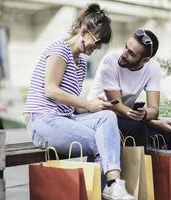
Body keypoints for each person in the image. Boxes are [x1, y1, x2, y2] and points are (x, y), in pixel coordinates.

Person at [23, 3, 135, 200]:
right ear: (84, 31)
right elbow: (51, 90)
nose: (98, 47)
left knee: (107, 116)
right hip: (42, 120)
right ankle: (110, 187)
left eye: (101, 45)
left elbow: (71, 106)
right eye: (98, 42)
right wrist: (87, 104)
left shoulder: (81, 62)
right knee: (101, 142)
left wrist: (96, 105)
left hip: (64, 118)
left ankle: (112, 185)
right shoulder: (59, 49)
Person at [87, 28, 171, 150]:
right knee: (138, 129)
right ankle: (140, 169)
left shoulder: (152, 68)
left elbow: (154, 110)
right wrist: (152, 122)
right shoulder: (110, 62)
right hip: (99, 117)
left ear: (145, 60)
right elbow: (117, 107)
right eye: (126, 47)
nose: (124, 53)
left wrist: (145, 114)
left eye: (131, 53)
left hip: (128, 118)